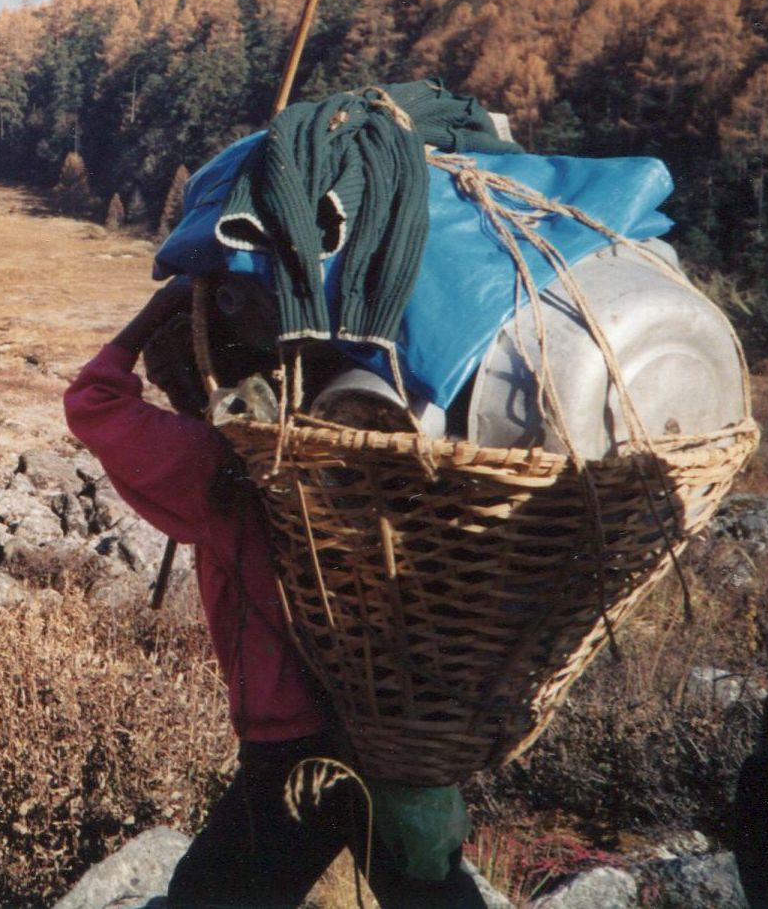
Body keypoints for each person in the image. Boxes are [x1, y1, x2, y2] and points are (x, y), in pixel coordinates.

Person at [64, 281, 485, 909]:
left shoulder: (222, 467)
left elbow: (92, 401)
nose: (175, 403)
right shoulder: (362, 456)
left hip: (296, 745)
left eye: (176, 387)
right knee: (428, 895)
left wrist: (156, 311)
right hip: (394, 727)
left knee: (208, 899)